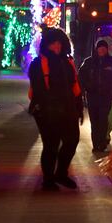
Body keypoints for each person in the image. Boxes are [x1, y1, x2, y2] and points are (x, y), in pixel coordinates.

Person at [28, 28, 83, 191]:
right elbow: (38, 90)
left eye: (59, 43)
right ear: (47, 45)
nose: (57, 47)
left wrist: (78, 107)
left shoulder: (68, 62)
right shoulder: (38, 63)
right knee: (51, 145)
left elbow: (75, 86)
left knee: (72, 141)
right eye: (53, 43)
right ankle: (48, 179)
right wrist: (46, 110)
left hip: (68, 109)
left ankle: (60, 173)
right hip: (48, 111)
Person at [79, 38, 112, 153]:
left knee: (103, 120)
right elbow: (81, 76)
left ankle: (102, 143)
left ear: (106, 49)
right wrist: (87, 87)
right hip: (92, 96)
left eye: (104, 48)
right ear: (96, 49)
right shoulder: (89, 62)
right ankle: (96, 144)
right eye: (100, 48)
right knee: (94, 121)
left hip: (106, 96)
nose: (101, 50)